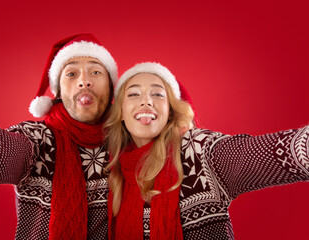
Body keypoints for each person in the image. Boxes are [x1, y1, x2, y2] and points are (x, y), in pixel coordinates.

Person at [104, 62, 309, 240]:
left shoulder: (198, 151)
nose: (146, 101)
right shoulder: (116, 173)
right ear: (120, 112)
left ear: (171, 111)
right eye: (133, 94)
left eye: (158, 94)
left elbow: (272, 151)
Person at [0, 33, 118, 240]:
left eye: (96, 72)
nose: (84, 81)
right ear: (59, 92)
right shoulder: (37, 140)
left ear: (110, 87)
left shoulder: (131, 141)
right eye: (71, 74)